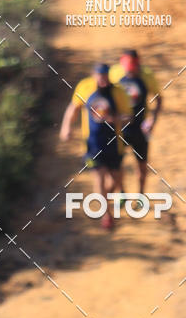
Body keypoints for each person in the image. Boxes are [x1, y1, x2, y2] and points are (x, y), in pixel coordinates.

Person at [60, 61, 131, 230]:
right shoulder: (85, 87)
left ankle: (108, 196)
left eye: (106, 77)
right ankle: (107, 216)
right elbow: (74, 108)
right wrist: (66, 127)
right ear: (93, 75)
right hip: (92, 144)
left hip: (115, 144)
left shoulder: (118, 92)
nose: (103, 81)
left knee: (116, 178)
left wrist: (116, 119)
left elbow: (129, 116)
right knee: (98, 177)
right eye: (100, 77)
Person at [108, 48, 163, 194]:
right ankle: (122, 193)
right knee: (117, 165)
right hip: (120, 129)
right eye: (127, 69)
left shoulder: (147, 75)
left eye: (133, 69)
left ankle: (141, 195)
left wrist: (153, 121)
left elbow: (159, 99)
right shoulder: (114, 74)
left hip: (140, 128)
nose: (130, 72)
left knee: (142, 166)